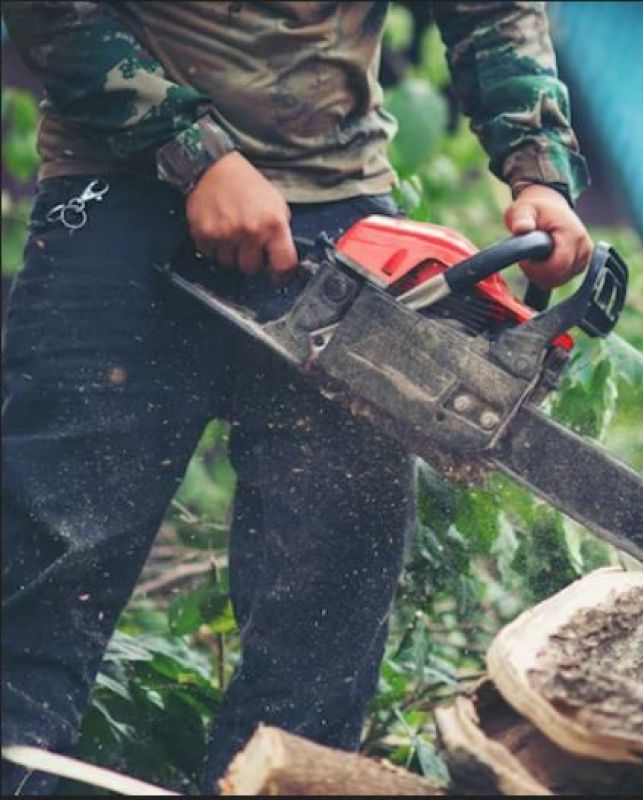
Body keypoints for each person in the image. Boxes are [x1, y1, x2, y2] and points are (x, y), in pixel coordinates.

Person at [0, 2, 591, 793]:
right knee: (45, 576)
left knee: (326, 610)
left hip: (342, 216)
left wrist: (537, 167)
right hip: (118, 200)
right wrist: (195, 155)